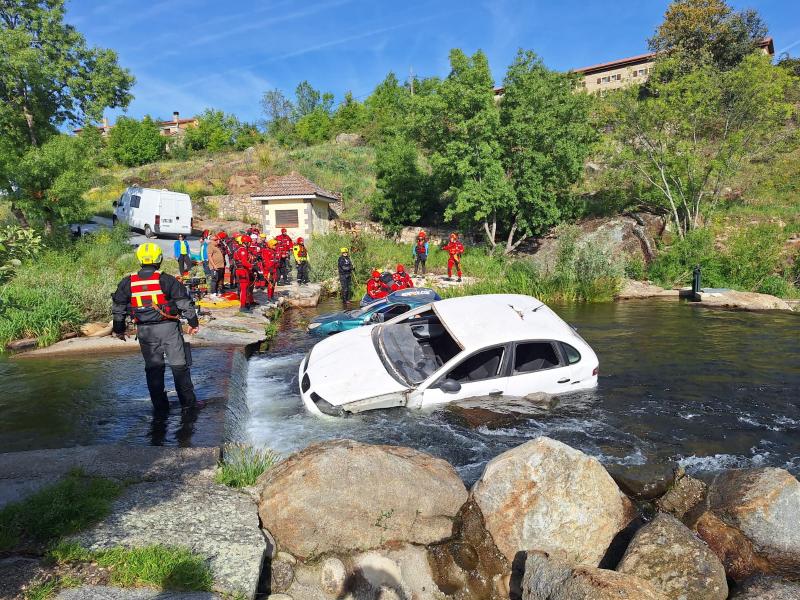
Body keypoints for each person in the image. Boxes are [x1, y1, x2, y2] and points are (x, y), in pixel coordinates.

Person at [111, 243, 199, 413]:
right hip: (169, 330)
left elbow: (118, 309)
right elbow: (185, 304)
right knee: (179, 366)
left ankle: (160, 408)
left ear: (139, 259)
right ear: (159, 259)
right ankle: (189, 406)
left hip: (145, 332)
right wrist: (193, 323)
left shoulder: (127, 281)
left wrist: (119, 329)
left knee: (154, 369)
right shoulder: (166, 279)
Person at [233, 238, 256, 312]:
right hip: (242, 270)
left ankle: (246, 303)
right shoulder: (242, 250)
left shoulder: (240, 249)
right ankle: (242, 306)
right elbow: (244, 262)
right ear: (246, 242)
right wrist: (252, 266)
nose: (250, 244)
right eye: (249, 242)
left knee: (246, 288)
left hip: (243, 270)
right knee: (244, 288)